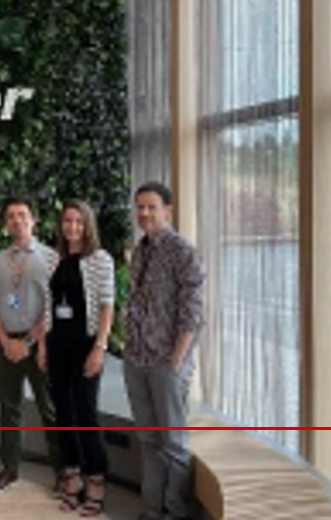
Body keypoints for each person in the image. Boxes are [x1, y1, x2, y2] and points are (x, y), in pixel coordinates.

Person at [123, 182, 205, 520]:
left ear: (167, 211)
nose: (144, 213)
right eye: (140, 207)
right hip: (136, 359)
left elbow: (193, 312)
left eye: (151, 207)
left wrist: (176, 360)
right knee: (148, 441)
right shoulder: (140, 250)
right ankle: (152, 509)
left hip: (166, 363)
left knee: (174, 444)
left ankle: (175, 512)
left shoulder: (183, 252)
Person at [0, 197, 62, 493]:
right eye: (11, 216)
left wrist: (28, 341)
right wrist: (5, 342)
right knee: (8, 407)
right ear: (6, 223)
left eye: (22, 215)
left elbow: (54, 306)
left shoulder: (51, 259)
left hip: (41, 343)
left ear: (34, 220)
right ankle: (10, 468)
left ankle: (63, 472)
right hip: (4, 343)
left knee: (50, 408)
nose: (17, 220)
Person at [38, 200, 115, 517]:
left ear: (88, 225)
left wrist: (99, 347)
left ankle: (96, 479)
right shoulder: (52, 258)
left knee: (85, 413)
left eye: (78, 222)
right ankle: (72, 477)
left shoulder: (100, 259)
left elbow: (107, 306)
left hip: (86, 345)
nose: (72, 227)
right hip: (57, 344)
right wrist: (42, 346)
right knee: (63, 412)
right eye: (67, 221)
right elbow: (45, 305)